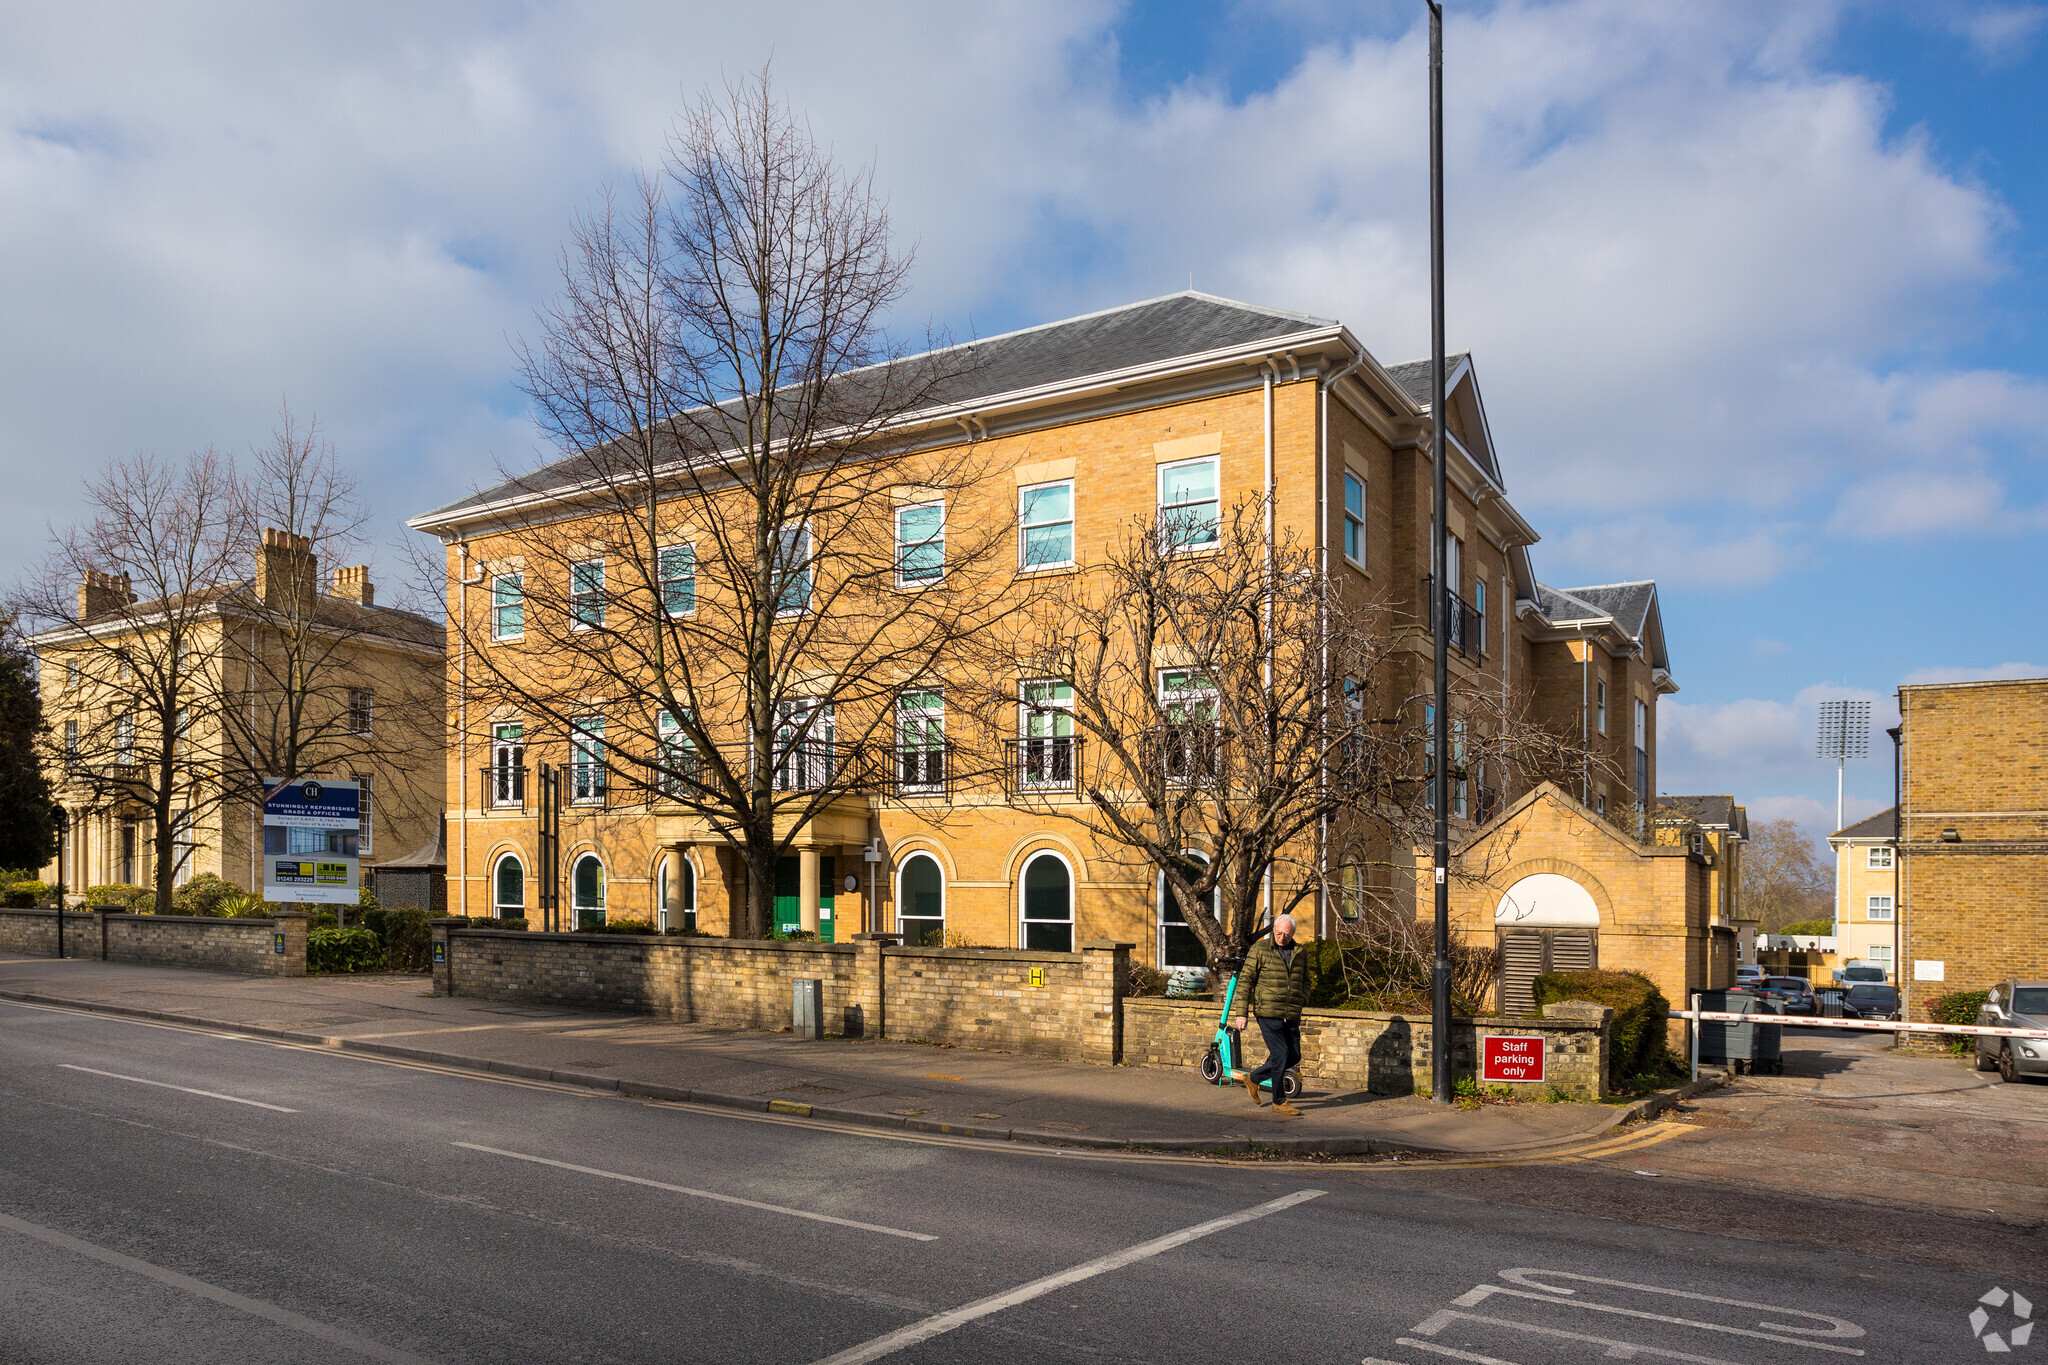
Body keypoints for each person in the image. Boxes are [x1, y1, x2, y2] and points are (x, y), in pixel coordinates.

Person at [1231, 913, 1308, 1116]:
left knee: (1294, 1056)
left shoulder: (1300, 952)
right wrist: (1242, 1014)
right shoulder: (1260, 950)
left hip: (1291, 1013)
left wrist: (1302, 998)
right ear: (1274, 930)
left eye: (1287, 934)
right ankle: (1279, 1101)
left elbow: (1306, 980)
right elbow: (1245, 981)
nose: (1282, 937)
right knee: (1281, 1055)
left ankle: (1253, 1078)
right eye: (1278, 932)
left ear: (1293, 934)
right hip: (1268, 1012)